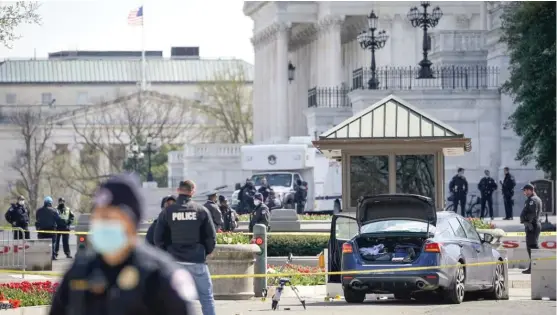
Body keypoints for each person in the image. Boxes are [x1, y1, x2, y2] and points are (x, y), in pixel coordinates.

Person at [48, 174, 197, 315]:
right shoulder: (80, 271)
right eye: (98, 216)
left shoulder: (160, 275)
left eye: (110, 218)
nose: (102, 224)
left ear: (131, 222)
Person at [154, 180, 216, 315]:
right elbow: (210, 237)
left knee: (174, 300)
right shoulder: (201, 210)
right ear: (193, 191)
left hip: (174, 262)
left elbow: (158, 239)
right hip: (197, 260)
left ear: (178, 190)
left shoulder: (167, 211)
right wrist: (205, 252)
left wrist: (168, 254)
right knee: (206, 298)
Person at [519, 184, 542, 274]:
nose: (524, 192)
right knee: (531, 246)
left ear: (530, 190)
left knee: (532, 247)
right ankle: (533, 267)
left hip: (532, 225)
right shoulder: (534, 199)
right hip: (532, 225)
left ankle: (534, 267)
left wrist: (528, 222)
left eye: (525, 190)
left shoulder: (533, 200)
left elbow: (533, 213)